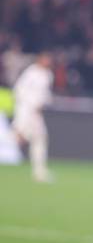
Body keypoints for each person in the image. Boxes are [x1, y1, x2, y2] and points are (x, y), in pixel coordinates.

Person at [12, 52, 54, 183]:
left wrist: (44, 103)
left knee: (40, 139)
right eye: (45, 58)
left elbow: (45, 95)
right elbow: (18, 90)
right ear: (40, 59)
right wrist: (30, 105)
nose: (48, 61)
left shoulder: (48, 75)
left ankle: (39, 172)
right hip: (25, 111)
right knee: (16, 138)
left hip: (36, 114)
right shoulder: (31, 72)